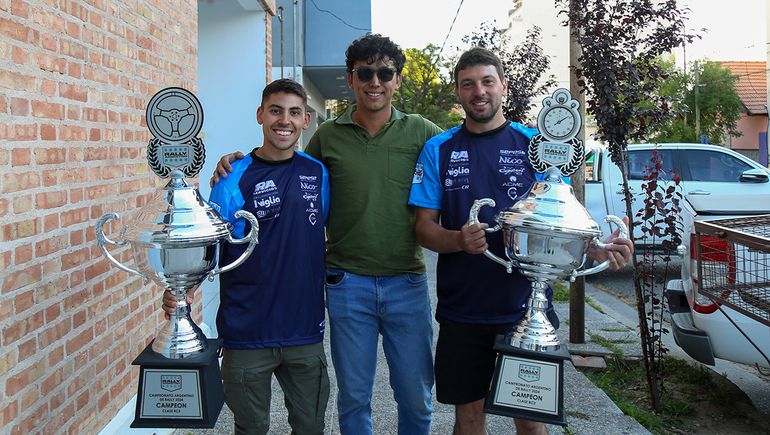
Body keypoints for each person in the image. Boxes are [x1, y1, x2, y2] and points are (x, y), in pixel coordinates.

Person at [211, 34, 443, 434]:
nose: (375, 81)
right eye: (365, 72)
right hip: (346, 283)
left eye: (384, 73)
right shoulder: (327, 138)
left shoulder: (421, 131)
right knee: (353, 399)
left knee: (417, 398)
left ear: (398, 80)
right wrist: (233, 162)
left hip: (407, 280)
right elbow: (283, 165)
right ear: (351, 79)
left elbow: (461, 159)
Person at [408, 47, 633, 435]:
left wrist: (594, 248)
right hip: (463, 310)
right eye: (468, 84)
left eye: (487, 81)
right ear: (458, 93)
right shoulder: (438, 149)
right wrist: (459, 239)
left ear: (503, 87)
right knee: (469, 416)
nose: (479, 91)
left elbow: (562, 218)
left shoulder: (539, 145)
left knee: (531, 420)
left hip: (527, 310)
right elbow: (423, 227)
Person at [162, 79, 330, 435]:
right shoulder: (230, 176)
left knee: (311, 427)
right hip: (247, 331)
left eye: (294, 113)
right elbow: (211, 245)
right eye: (276, 110)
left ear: (305, 121)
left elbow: (319, 231)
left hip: (304, 329)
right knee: (251, 428)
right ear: (260, 115)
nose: (284, 120)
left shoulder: (316, 172)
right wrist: (183, 289)